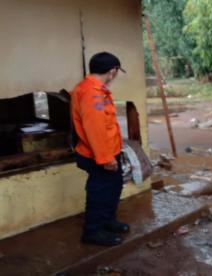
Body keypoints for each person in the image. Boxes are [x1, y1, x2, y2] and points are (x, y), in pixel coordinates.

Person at [71, 52, 129, 246]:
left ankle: (107, 221)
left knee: (114, 186)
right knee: (100, 191)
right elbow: (94, 129)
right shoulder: (91, 92)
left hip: (109, 152)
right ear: (112, 71)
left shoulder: (96, 89)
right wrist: (105, 158)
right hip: (98, 155)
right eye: (117, 72)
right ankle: (93, 231)